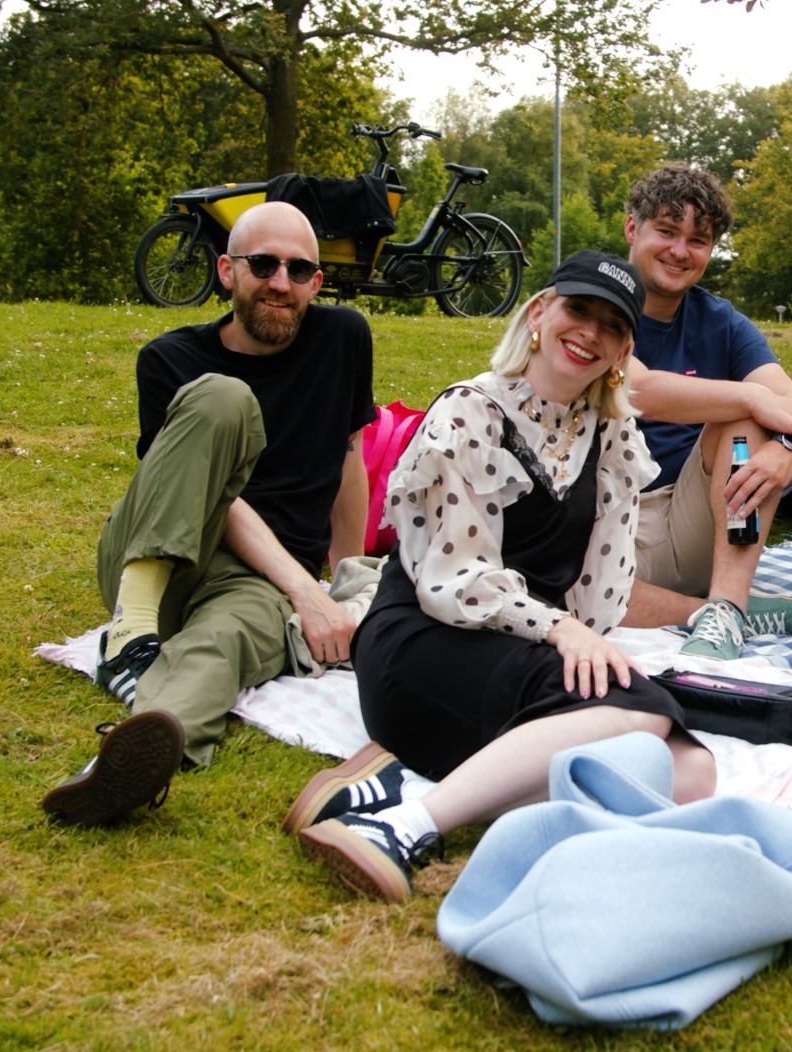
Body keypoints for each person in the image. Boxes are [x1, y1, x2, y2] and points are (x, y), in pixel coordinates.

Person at [288, 252, 716, 902]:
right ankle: (399, 827)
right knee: (646, 716)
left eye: (611, 325)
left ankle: (396, 786)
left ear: (625, 348)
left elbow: (599, 599)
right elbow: (455, 579)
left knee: (691, 771)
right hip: (426, 641)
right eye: (579, 309)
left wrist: (580, 640)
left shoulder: (613, 437)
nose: (590, 333)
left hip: (527, 651)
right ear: (541, 313)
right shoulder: (472, 411)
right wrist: (564, 634)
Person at [42, 201, 374, 827]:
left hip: (257, 583)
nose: (281, 282)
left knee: (219, 645)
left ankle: (131, 759)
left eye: (299, 269)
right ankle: (130, 630)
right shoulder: (169, 360)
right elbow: (212, 501)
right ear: (227, 271)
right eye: (263, 264)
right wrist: (304, 589)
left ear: (317, 283)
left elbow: (349, 455)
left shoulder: (343, 339)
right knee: (225, 399)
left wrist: (342, 577)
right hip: (154, 558)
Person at [612, 164, 792, 660]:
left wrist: (787, 447)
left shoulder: (721, 321)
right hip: (607, 519)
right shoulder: (599, 304)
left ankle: (725, 608)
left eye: (698, 240)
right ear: (632, 228)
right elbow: (638, 387)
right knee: (549, 592)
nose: (680, 251)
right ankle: (715, 614)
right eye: (666, 231)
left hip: (698, 521)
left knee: (743, 424)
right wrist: (750, 396)